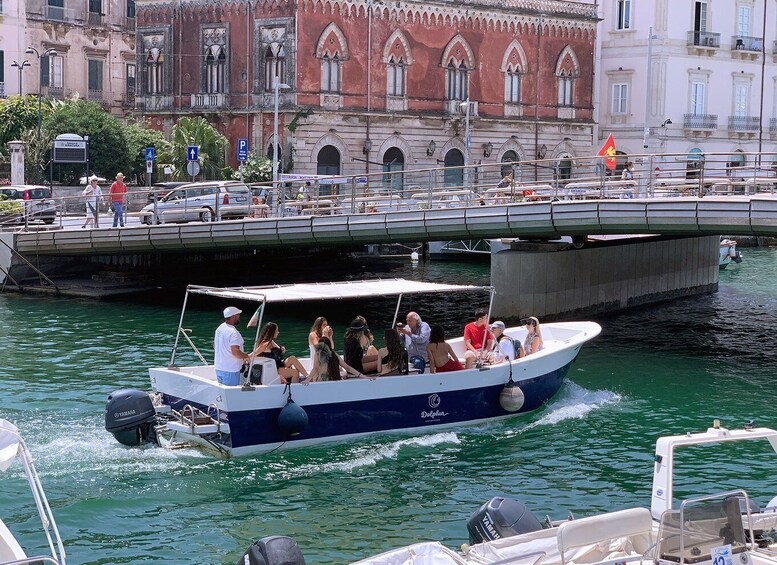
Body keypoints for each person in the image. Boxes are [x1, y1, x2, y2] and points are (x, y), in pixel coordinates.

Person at [214, 306, 252, 386]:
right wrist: (246, 356)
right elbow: (235, 352)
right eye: (238, 315)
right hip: (230, 370)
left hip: (219, 368)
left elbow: (215, 346)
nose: (239, 317)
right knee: (230, 395)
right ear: (233, 316)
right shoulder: (233, 332)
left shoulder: (219, 329)